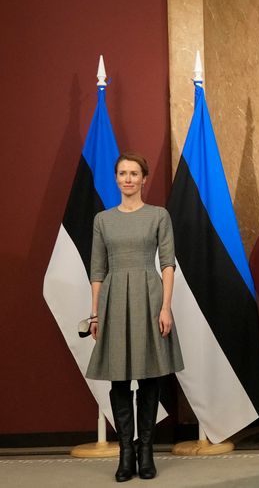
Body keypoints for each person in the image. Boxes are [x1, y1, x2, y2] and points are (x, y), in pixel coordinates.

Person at [86, 152, 183, 482]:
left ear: (144, 178)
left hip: (149, 297)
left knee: (150, 377)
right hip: (114, 301)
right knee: (119, 379)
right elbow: (97, 270)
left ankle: (146, 453)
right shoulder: (102, 220)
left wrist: (166, 307)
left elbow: (168, 264)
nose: (128, 179)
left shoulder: (159, 215)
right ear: (116, 179)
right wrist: (95, 314)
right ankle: (126, 452)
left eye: (134, 173)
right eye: (122, 173)